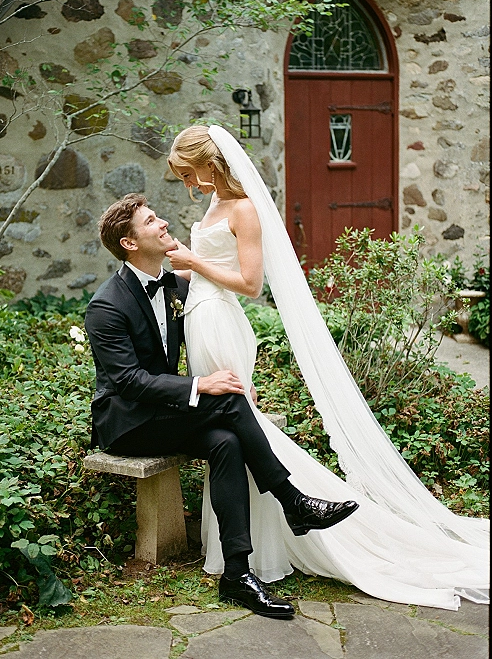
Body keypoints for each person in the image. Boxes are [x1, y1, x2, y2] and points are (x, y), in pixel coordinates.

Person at [165, 123, 489, 611]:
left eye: (191, 175)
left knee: (236, 413)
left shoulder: (245, 209)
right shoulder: (212, 206)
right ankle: (267, 529)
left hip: (222, 324)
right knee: (233, 424)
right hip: (198, 319)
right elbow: (198, 269)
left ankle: (276, 531)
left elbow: (250, 284)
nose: (190, 187)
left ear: (212, 164)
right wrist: (170, 267)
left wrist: (194, 261)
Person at [84, 193, 359, 619]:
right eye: (150, 221)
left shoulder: (177, 286)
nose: (163, 224)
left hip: (167, 411)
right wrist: (202, 385)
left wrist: (225, 380)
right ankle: (293, 501)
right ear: (130, 243)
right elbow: (127, 382)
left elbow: (218, 318)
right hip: (128, 422)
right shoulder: (106, 305)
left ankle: (237, 575)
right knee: (229, 404)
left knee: (226, 442)